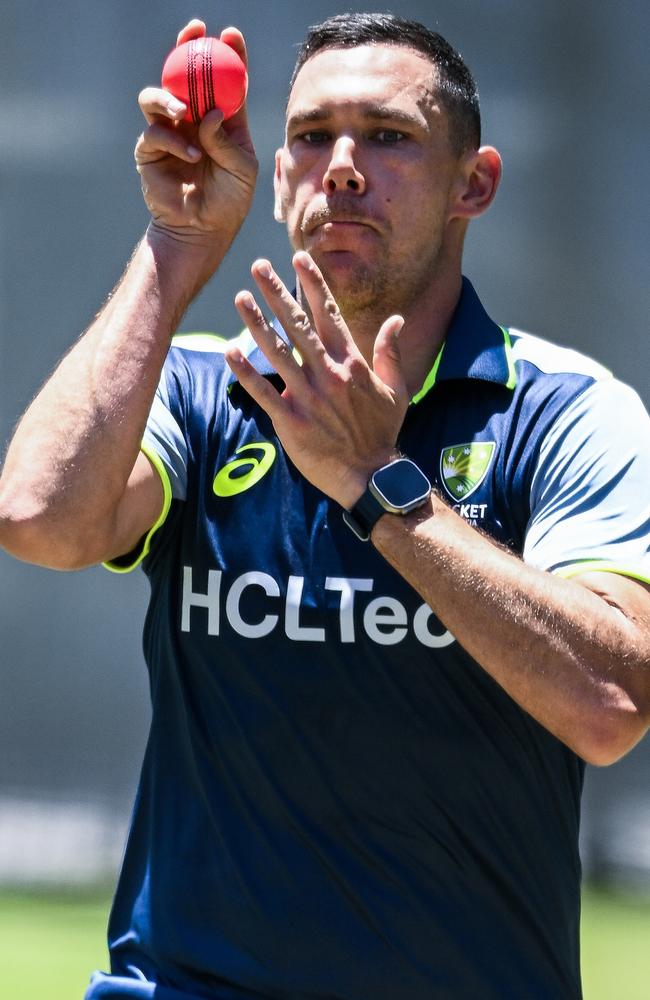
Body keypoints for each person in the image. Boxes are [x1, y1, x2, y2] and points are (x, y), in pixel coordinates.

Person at [1, 11, 649, 999]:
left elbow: (608, 706)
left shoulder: (566, 412)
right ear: (279, 176)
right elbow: (41, 518)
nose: (340, 165)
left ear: (471, 182)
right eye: (310, 136)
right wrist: (174, 249)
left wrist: (376, 480)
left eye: (387, 137)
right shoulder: (197, 387)